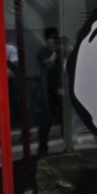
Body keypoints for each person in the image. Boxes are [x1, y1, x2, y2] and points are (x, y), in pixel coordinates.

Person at [35, 27, 63, 156]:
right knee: (46, 120)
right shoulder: (42, 52)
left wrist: (65, 47)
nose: (53, 41)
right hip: (48, 90)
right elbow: (48, 65)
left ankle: (66, 144)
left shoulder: (62, 51)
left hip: (61, 89)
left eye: (55, 38)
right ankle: (42, 147)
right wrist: (54, 53)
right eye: (51, 38)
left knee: (64, 120)